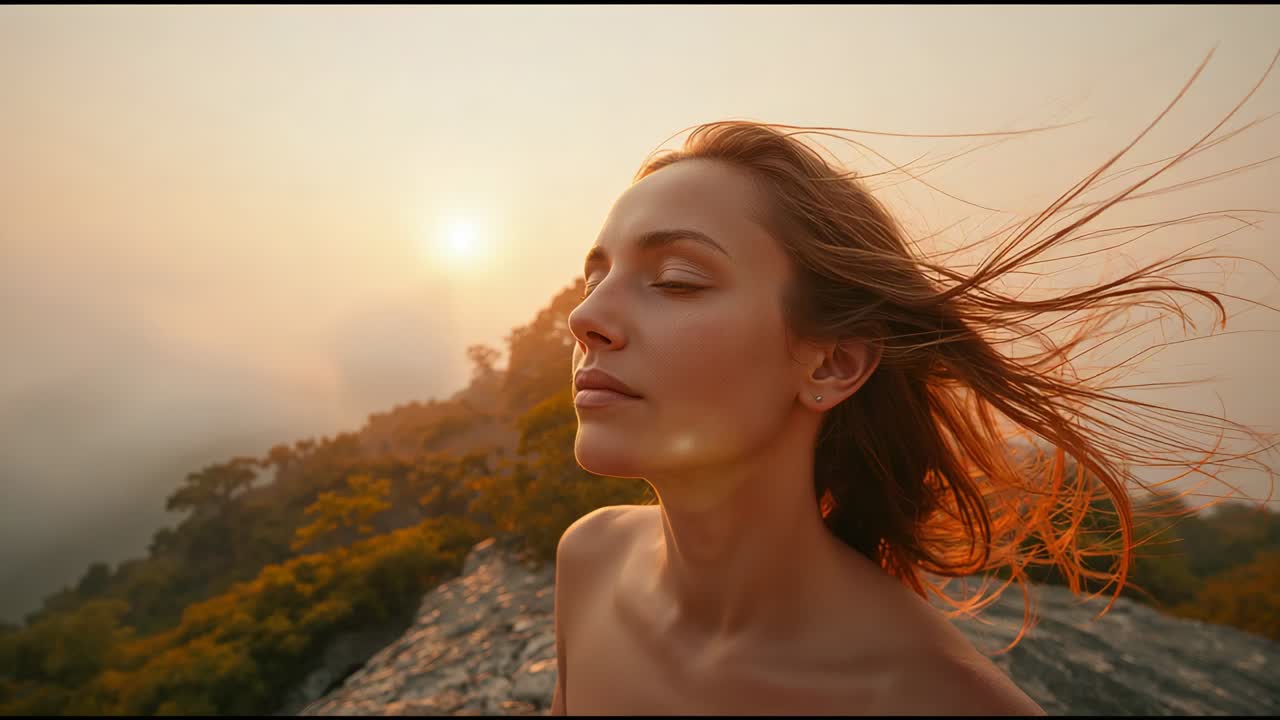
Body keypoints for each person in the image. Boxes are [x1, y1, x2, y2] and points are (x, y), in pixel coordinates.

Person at [548, 50, 1279, 715]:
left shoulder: (932, 700)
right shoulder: (590, 561)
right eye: (595, 277)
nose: (586, 317)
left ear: (833, 364)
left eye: (677, 280)